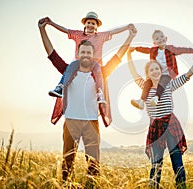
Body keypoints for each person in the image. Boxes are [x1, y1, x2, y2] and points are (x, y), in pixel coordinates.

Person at [38, 17, 137, 183]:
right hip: (71, 122)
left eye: (88, 53)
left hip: (91, 122)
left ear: (93, 55)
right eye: (82, 52)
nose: (85, 55)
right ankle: (66, 185)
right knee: (67, 161)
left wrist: (130, 37)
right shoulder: (67, 71)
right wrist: (43, 29)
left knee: (93, 163)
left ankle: (92, 186)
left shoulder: (100, 73)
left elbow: (118, 56)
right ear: (78, 54)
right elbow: (51, 54)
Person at [127, 47, 193, 188]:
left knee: (177, 163)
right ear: (148, 74)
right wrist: (129, 56)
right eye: (151, 70)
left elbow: (188, 75)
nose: (155, 71)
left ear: (161, 70)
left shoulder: (169, 85)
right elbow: (133, 73)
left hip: (171, 126)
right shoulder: (145, 88)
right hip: (155, 128)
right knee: (156, 165)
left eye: (157, 69)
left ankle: (181, 187)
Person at [44, 11, 133, 101]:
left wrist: (126, 28)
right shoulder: (78, 34)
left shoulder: (100, 36)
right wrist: (51, 23)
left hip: (95, 63)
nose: (90, 25)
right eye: (88, 22)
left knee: (98, 71)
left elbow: (113, 32)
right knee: (70, 67)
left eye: (93, 23)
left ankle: (99, 92)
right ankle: (61, 87)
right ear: (85, 24)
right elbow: (65, 30)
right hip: (80, 62)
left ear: (96, 26)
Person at [130, 29, 193, 109]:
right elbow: (145, 50)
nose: (160, 39)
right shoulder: (154, 50)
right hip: (156, 74)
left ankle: (156, 97)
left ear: (166, 38)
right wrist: (135, 48)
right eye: (157, 38)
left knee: (163, 81)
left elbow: (182, 50)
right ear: (154, 43)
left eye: (161, 36)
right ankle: (141, 101)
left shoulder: (171, 49)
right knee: (147, 83)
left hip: (167, 74)